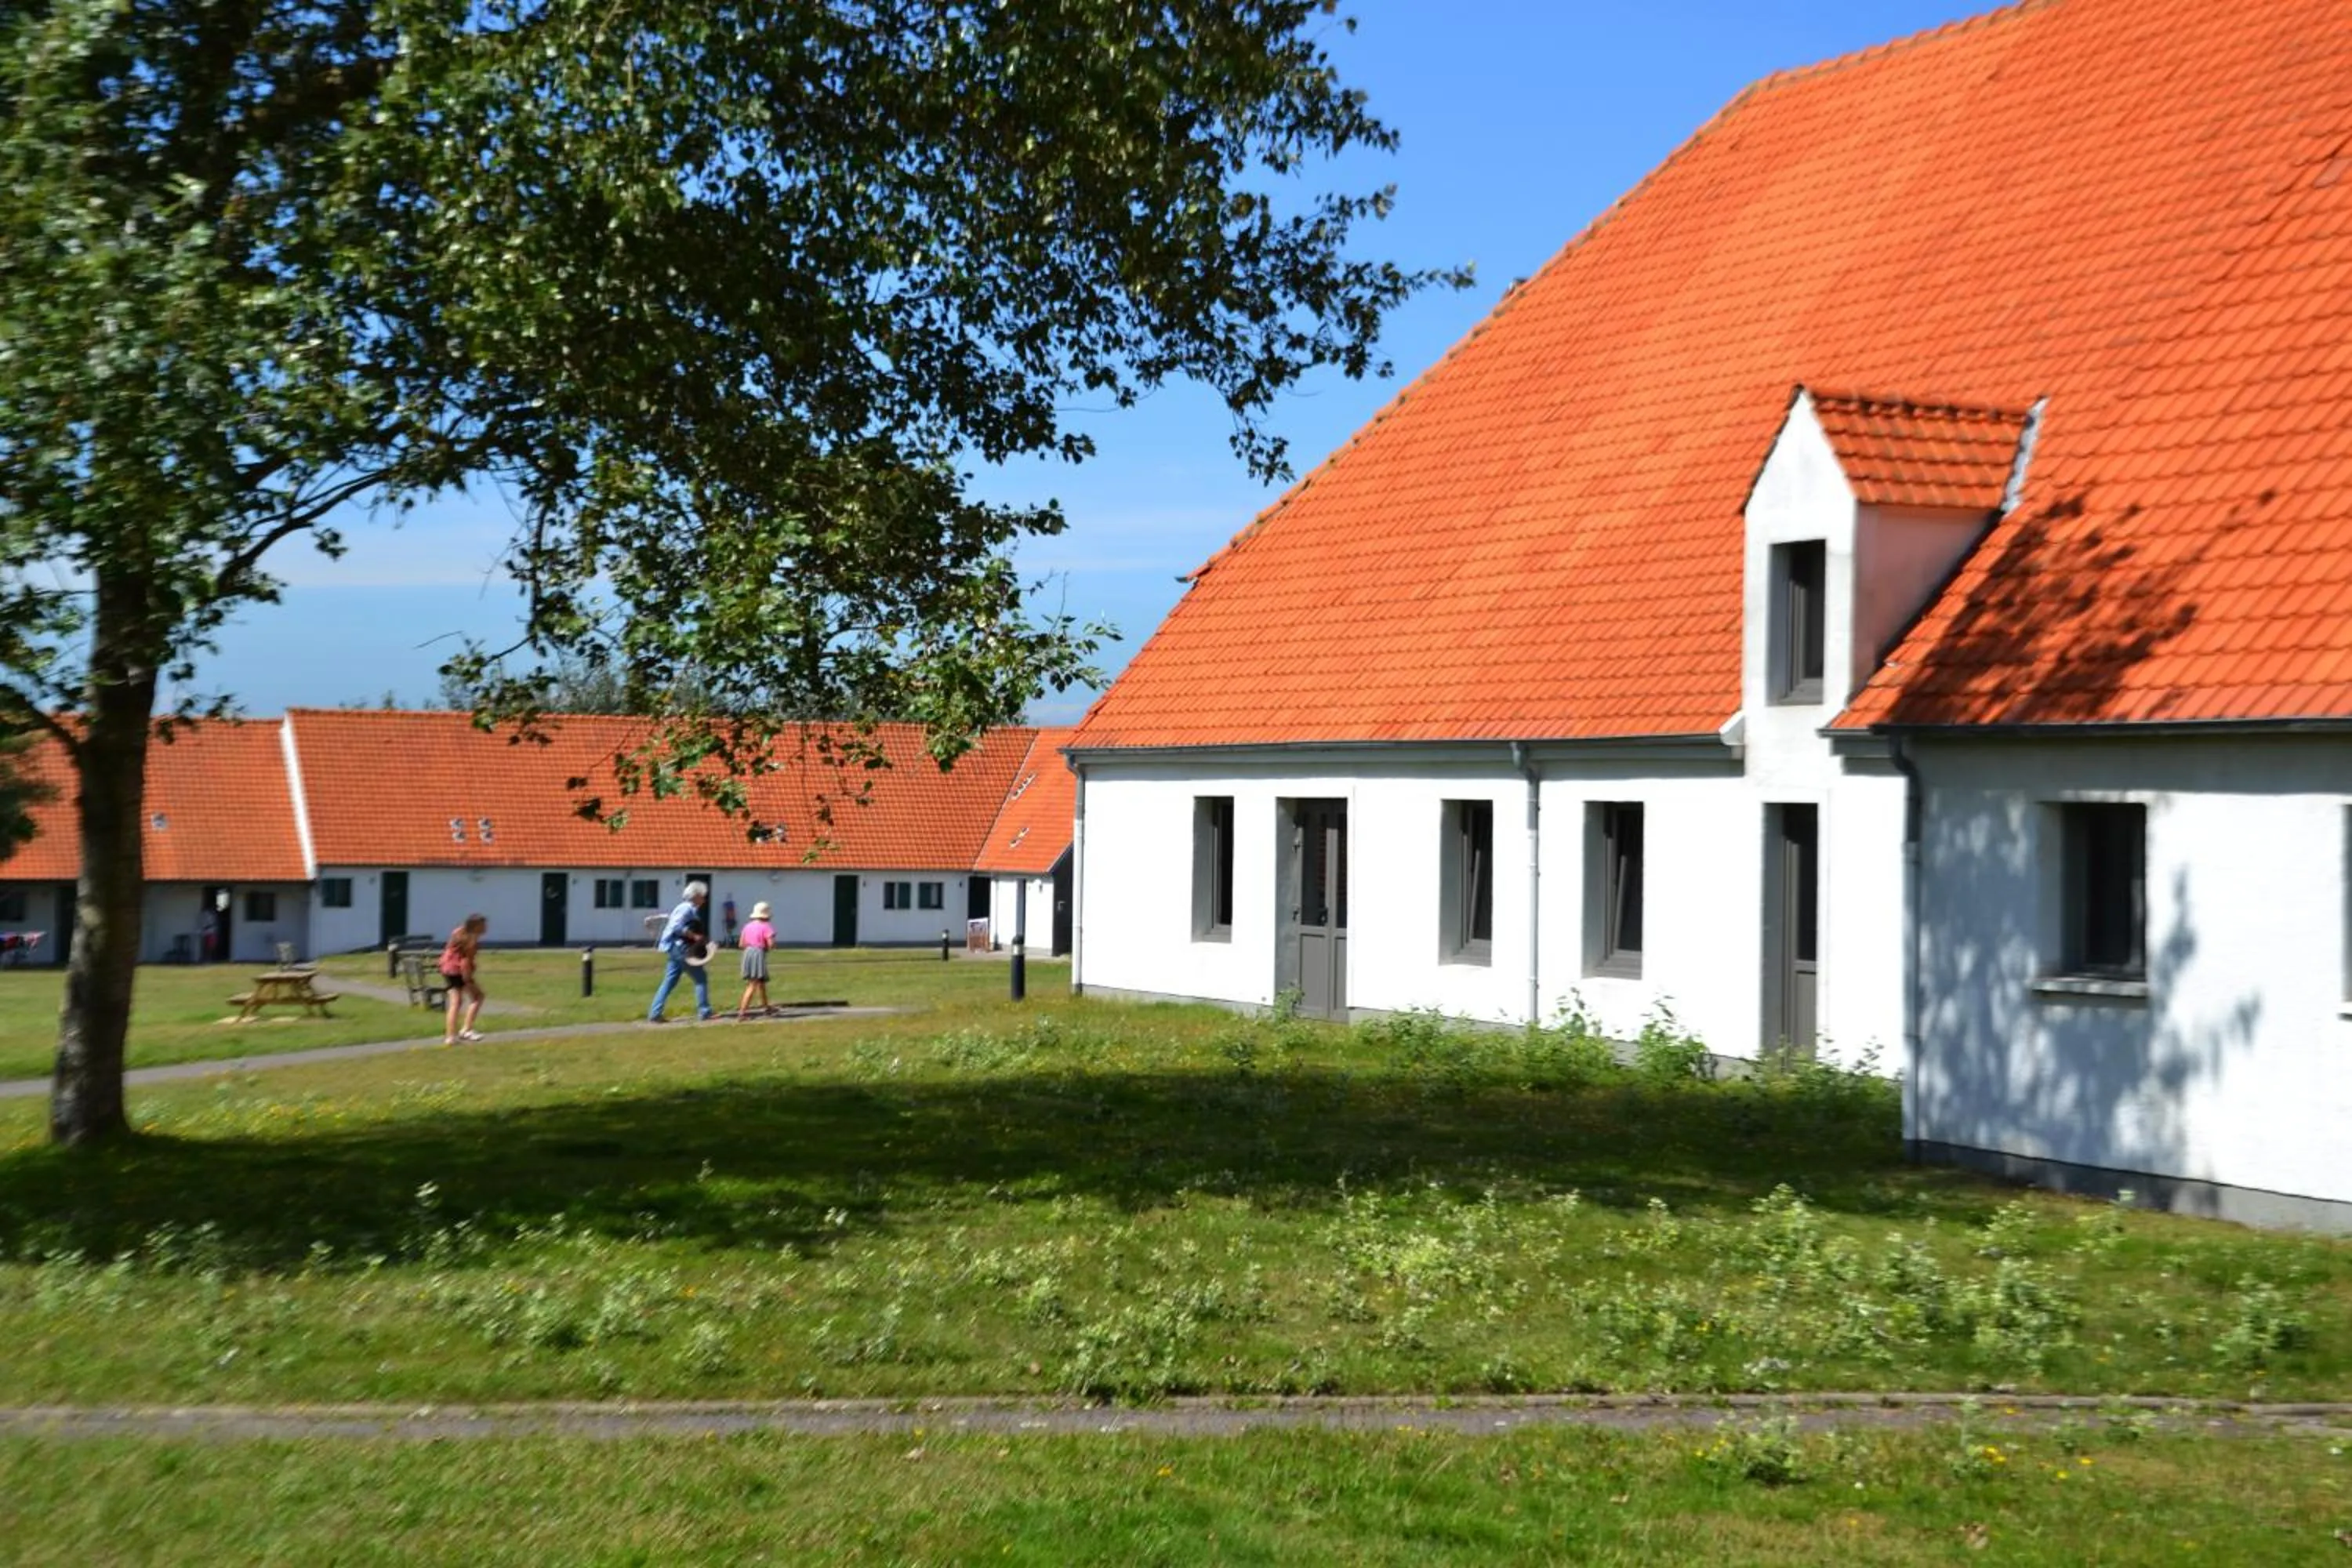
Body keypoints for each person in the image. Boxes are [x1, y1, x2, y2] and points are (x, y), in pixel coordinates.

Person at [648, 880, 714, 1023]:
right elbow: (677, 927)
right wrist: (694, 936)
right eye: (702, 896)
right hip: (681, 948)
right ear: (696, 896)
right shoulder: (686, 908)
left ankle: (655, 1012)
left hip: (674, 948)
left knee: (669, 981)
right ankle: (705, 1011)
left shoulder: (686, 908)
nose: (704, 899)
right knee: (700, 978)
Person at [440, 913, 488, 1044]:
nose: (486, 928)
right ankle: (467, 1029)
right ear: (476, 925)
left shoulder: (458, 932)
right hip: (459, 970)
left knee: (456, 1002)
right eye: (483, 925)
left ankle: (450, 1036)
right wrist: (467, 979)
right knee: (478, 997)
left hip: (447, 969)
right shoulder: (470, 939)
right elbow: (465, 960)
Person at [735, 899, 775, 1021]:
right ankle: (742, 1013)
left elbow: (741, 944)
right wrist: (767, 946)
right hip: (758, 953)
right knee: (753, 984)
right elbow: (771, 944)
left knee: (761, 982)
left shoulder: (747, 926)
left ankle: (766, 1007)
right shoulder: (766, 927)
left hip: (748, 953)